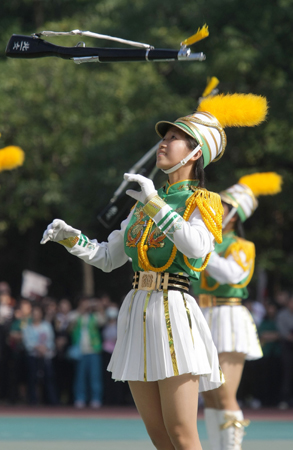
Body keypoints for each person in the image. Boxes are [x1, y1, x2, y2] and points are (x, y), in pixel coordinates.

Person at [41, 92, 267, 450]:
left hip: (174, 312)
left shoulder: (201, 200)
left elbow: (197, 248)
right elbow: (108, 257)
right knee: (160, 437)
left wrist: (155, 203)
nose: (163, 143)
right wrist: (71, 238)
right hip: (137, 311)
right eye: (164, 137)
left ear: (196, 153)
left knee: (182, 433)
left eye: (173, 138)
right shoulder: (146, 201)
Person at [192, 172, 282, 450]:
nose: (217, 211)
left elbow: (232, 275)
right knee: (209, 394)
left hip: (228, 318)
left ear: (235, 216)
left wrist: (201, 248)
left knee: (224, 392)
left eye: (224, 207)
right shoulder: (202, 238)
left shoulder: (242, 246)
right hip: (202, 315)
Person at [70, 297, 105, 409]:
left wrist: (98, 307)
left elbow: (103, 320)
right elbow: (70, 322)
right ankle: (80, 398)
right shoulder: (76, 315)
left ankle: (96, 399)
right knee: (80, 377)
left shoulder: (95, 316)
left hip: (93, 350)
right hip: (80, 351)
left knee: (95, 377)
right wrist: (81, 309)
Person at [22, 304, 58, 405]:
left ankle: (52, 401)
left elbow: (51, 340)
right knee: (32, 378)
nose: (36, 315)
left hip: (46, 356)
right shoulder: (27, 328)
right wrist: (37, 348)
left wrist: (44, 349)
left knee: (49, 378)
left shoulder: (46, 326)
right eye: (34, 313)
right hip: (33, 356)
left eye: (38, 313)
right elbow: (28, 342)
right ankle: (33, 400)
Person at [276, 295, 293, 409]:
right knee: (288, 374)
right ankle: (285, 400)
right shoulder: (282, 314)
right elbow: (284, 333)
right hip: (288, 347)